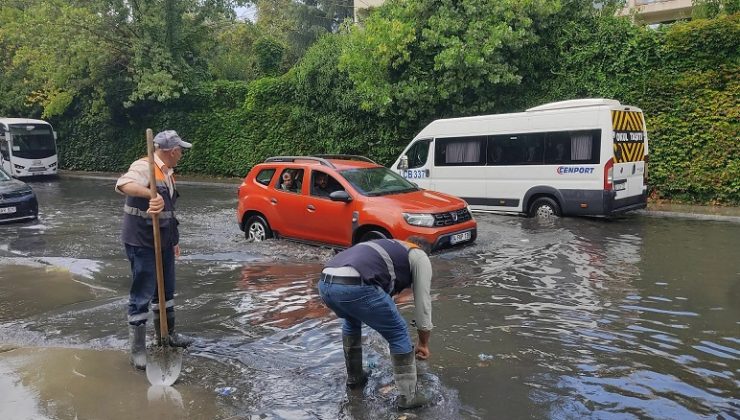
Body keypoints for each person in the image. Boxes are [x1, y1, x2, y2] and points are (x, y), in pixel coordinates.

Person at [317, 238, 433, 409]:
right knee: (399, 332)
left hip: (325, 284)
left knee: (351, 320)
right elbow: (423, 304)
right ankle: (409, 397)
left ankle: (355, 377)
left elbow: (383, 293)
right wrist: (423, 343)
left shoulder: (387, 246)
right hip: (356, 285)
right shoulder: (419, 256)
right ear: (421, 249)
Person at [115, 130, 194, 370]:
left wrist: (174, 239)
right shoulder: (144, 166)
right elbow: (123, 184)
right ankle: (137, 350)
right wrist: (150, 193)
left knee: (166, 291)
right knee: (142, 293)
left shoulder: (168, 172)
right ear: (172, 151)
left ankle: (166, 336)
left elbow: (169, 212)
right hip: (142, 241)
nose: (181, 154)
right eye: (180, 150)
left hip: (164, 240)